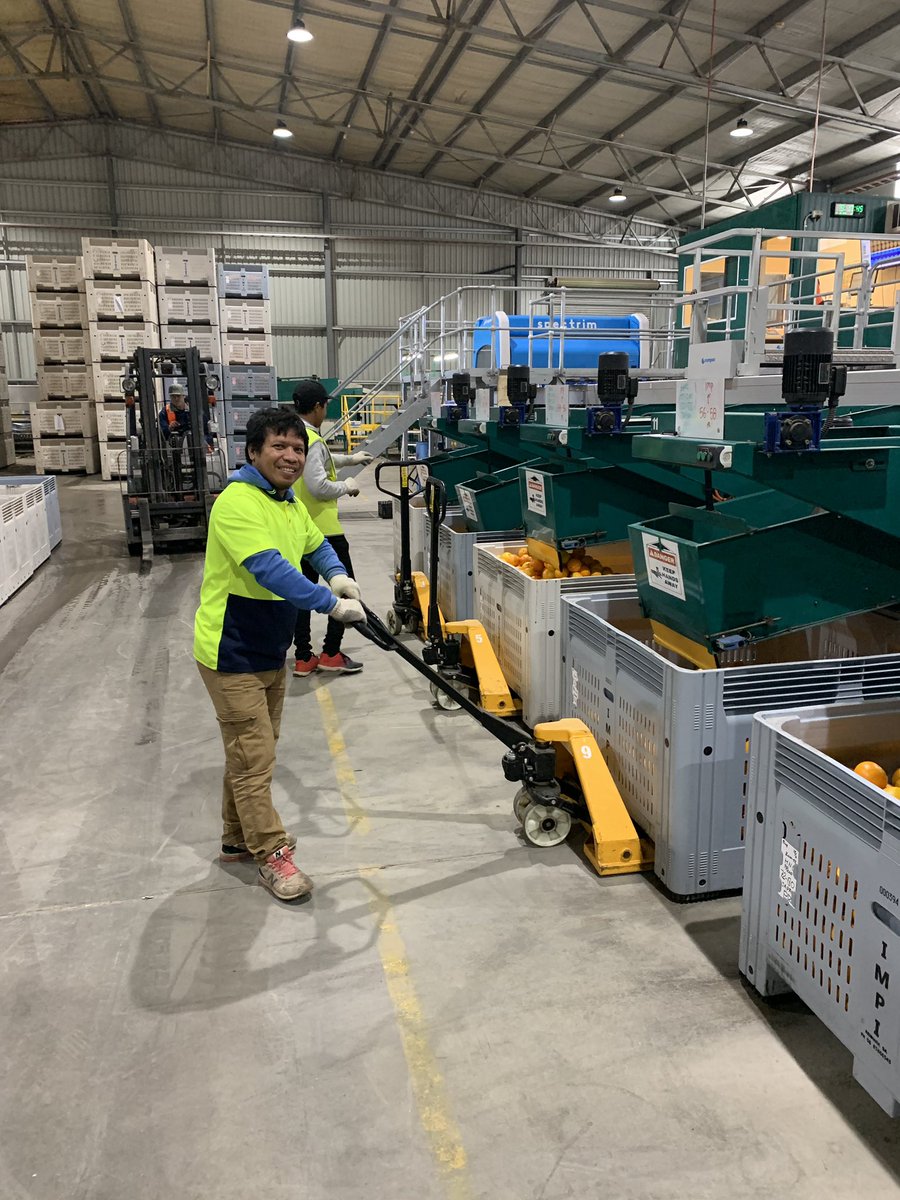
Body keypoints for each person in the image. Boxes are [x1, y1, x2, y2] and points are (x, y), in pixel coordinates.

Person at [194, 406, 366, 902]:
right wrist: (329, 604)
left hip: (270, 647)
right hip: (231, 650)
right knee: (255, 758)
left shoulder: (287, 502)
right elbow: (270, 569)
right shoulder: (238, 502)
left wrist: (337, 575)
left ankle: (236, 839)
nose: (290, 456)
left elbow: (317, 545)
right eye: (279, 446)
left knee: (252, 752)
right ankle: (272, 853)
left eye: (297, 448)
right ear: (254, 452)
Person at [291, 379, 373, 677]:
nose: (325, 411)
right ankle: (331, 652)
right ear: (317, 407)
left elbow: (321, 459)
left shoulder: (298, 436)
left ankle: (303, 657)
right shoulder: (313, 439)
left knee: (302, 594)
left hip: (300, 528)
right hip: (324, 532)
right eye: (325, 406)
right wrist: (346, 486)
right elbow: (318, 485)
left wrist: (351, 458)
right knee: (346, 589)